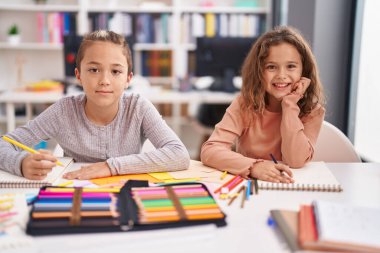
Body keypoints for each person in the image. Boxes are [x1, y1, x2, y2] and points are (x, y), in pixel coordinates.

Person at [0, 30, 190, 180]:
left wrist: (110, 166)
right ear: (78, 75)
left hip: (123, 194)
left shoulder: (138, 107)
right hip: (76, 192)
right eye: (93, 69)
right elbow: (4, 145)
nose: (104, 80)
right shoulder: (64, 110)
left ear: (128, 79)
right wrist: (20, 162)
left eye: (116, 71)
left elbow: (179, 154)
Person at [200, 26, 325, 183]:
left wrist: (289, 106)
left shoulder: (313, 111)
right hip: (252, 185)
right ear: (259, 71)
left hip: (292, 186)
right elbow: (210, 150)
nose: (281, 75)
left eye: (291, 66)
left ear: (303, 71)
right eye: (271, 67)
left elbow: (295, 161)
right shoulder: (244, 104)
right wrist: (254, 166)